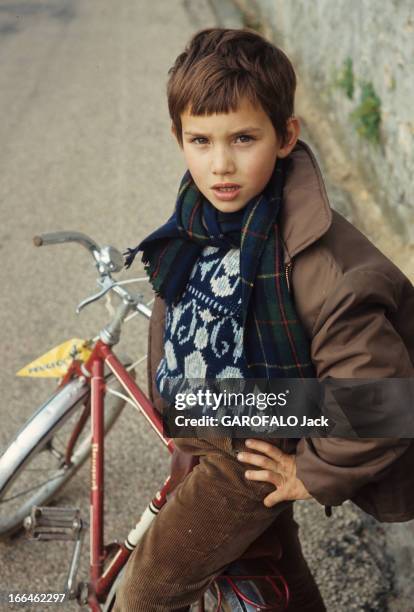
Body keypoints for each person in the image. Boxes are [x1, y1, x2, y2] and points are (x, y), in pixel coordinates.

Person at [114, 28, 414, 611]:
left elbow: (383, 400)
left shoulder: (325, 269)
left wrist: (312, 472)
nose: (220, 164)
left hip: (245, 458)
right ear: (178, 138)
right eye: (200, 140)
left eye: (244, 138)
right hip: (211, 428)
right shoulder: (200, 221)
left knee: (145, 595)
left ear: (286, 136)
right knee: (274, 576)